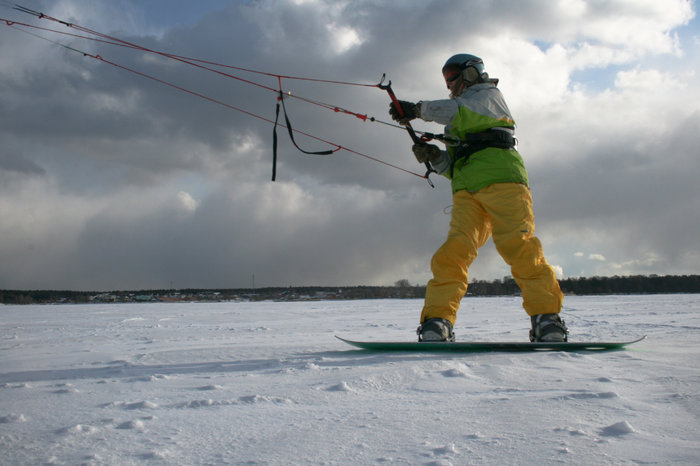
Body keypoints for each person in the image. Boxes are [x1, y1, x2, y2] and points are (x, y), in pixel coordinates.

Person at [389, 53, 568, 342]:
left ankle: (547, 320)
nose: (449, 83)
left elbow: (460, 112)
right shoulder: (457, 116)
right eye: (445, 77)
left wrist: (417, 110)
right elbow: (458, 163)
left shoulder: (487, 96)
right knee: (453, 253)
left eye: (452, 75)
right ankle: (438, 321)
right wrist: (436, 158)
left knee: (518, 247)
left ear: (472, 73)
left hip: (504, 180)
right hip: (465, 191)